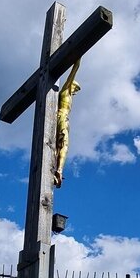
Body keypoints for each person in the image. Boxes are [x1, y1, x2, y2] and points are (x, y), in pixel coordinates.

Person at [54, 59, 81, 188]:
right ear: (71, 85)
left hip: (64, 119)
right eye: (76, 88)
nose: (75, 92)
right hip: (62, 117)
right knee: (64, 144)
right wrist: (78, 56)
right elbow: (74, 70)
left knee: (59, 146)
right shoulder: (65, 90)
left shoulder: (69, 96)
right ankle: (59, 169)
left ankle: (57, 169)